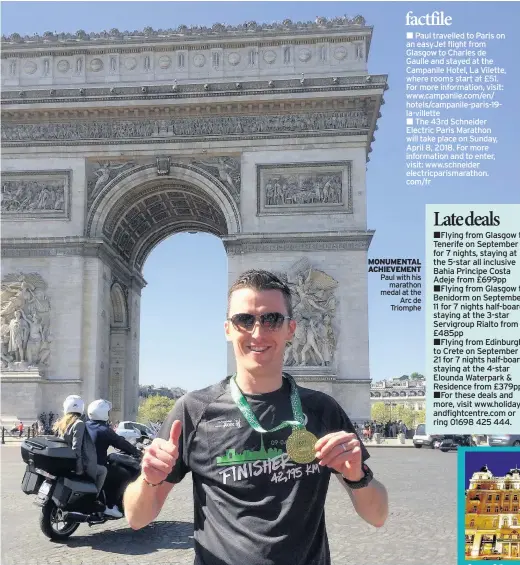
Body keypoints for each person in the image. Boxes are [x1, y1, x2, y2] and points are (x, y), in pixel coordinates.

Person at [123, 269, 388, 565]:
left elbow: (377, 516)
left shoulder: (323, 410)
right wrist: (149, 481)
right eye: (244, 319)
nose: (258, 333)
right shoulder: (193, 410)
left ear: (292, 329)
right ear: (227, 329)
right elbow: (136, 518)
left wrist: (357, 476)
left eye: (272, 319)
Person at [86, 399, 141, 518]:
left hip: (85, 464)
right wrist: (136, 451)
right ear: (104, 414)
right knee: (125, 474)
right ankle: (111, 506)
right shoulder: (104, 430)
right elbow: (120, 442)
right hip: (98, 465)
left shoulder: (84, 425)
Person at [53, 395, 107, 496]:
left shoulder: (61, 423)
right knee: (103, 470)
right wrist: (79, 469)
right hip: (74, 463)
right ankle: (94, 497)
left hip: (64, 460)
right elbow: (76, 448)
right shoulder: (79, 423)